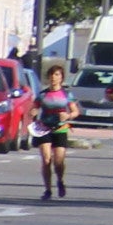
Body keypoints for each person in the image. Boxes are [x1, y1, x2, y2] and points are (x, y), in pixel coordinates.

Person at [33, 63, 75, 200]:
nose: (53, 77)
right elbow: (34, 109)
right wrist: (33, 112)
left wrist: (68, 116)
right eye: (51, 74)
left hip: (61, 130)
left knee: (58, 162)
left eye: (57, 75)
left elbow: (75, 111)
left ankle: (60, 180)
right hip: (44, 129)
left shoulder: (66, 94)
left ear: (61, 78)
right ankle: (48, 190)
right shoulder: (42, 95)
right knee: (46, 160)